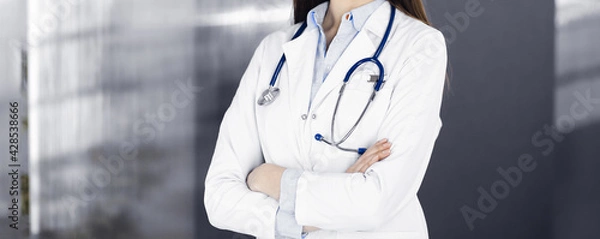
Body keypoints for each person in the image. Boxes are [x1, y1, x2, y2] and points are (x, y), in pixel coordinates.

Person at [204, 0, 447, 238]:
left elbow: (375, 202)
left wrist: (269, 178)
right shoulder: (273, 49)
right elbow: (219, 196)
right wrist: (309, 220)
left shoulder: (420, 44)